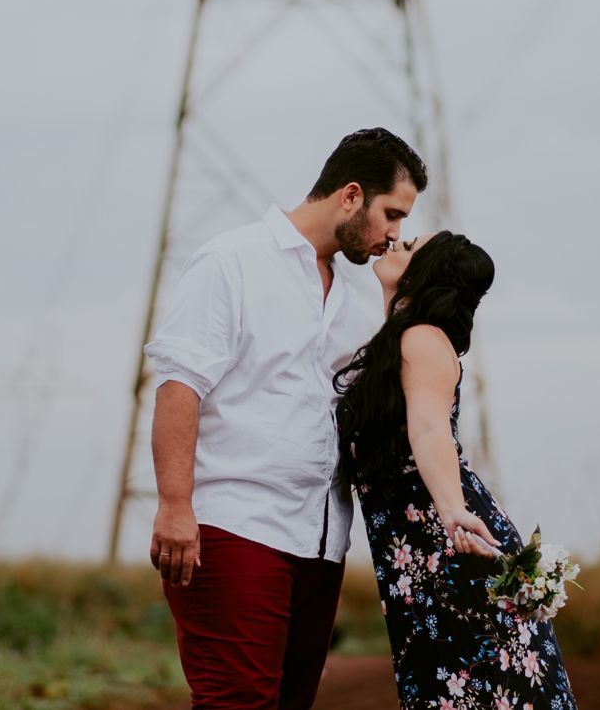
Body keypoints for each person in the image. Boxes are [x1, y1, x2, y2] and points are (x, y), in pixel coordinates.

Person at [144, 127, 429, 710]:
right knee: (237, 703)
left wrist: (397, 303)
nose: (395, 235)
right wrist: (175, 504)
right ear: (350, 196)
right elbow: (180, 386)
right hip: (235, 527)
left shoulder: (354, 298)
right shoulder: (232, 261)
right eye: (392, 214)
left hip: (321, 540)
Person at [336, 232, 578, 710]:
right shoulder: (404, 337)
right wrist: (392, 294)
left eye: (409, 245)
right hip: (421, 544)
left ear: (426, 274)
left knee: (475, 687)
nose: (393, 242)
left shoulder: (421, 340)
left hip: (445, 537)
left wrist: (451, 511)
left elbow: (428, 429)